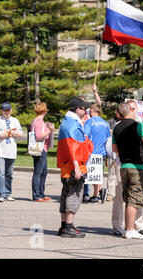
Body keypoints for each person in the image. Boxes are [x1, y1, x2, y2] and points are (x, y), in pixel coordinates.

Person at [112, 102, 143, 239]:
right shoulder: (139, 126)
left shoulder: (117, 127)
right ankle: (130, 229)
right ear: (131, 110)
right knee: (135, 199)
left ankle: (129, 227)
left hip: (124, 166)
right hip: (138, 167)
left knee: (129, 198)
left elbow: (114, 150)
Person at [56, 97, 94, 238]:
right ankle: (69, 227)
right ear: (78, 109)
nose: (86, 111)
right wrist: (77, 167)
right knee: (74, 195)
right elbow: (74, 147)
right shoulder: (72, 124)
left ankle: (64, 226)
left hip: (66, 166)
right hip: (74, 166)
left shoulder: (66, 122)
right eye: (84, 109)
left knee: (66, 194)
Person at [0, 103, 23, 202]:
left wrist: (8, 131)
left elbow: (20, 134)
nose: (7, 112)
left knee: (9, 174)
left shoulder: (15, 120)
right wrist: (12, 132)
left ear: (11, 110)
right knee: (1, 173)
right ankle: (1, 195)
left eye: (8, 110)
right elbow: (1, 135)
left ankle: (7, 193)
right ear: (1, 110)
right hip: (0, 151)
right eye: (5, 110)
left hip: (11, 151)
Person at [83, 103, 111, 203]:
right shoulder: (105, 123)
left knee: (90, 174)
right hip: (102, 153)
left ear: (92, 111)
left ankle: (94, 193)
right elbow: (109, 139)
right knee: (97, 174)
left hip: (91, 152)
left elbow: (85, 136)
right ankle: (96, 194)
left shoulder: (89, 122)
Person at [30, 102, 55, 202]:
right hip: (40, 149)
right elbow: (39, 136)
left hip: (43, 149)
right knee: (38, 172)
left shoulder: (38, 121)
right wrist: (50, 130)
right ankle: (36, 195)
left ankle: (41, 193)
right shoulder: (39, 121)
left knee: (43, 172)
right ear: (44, 111)